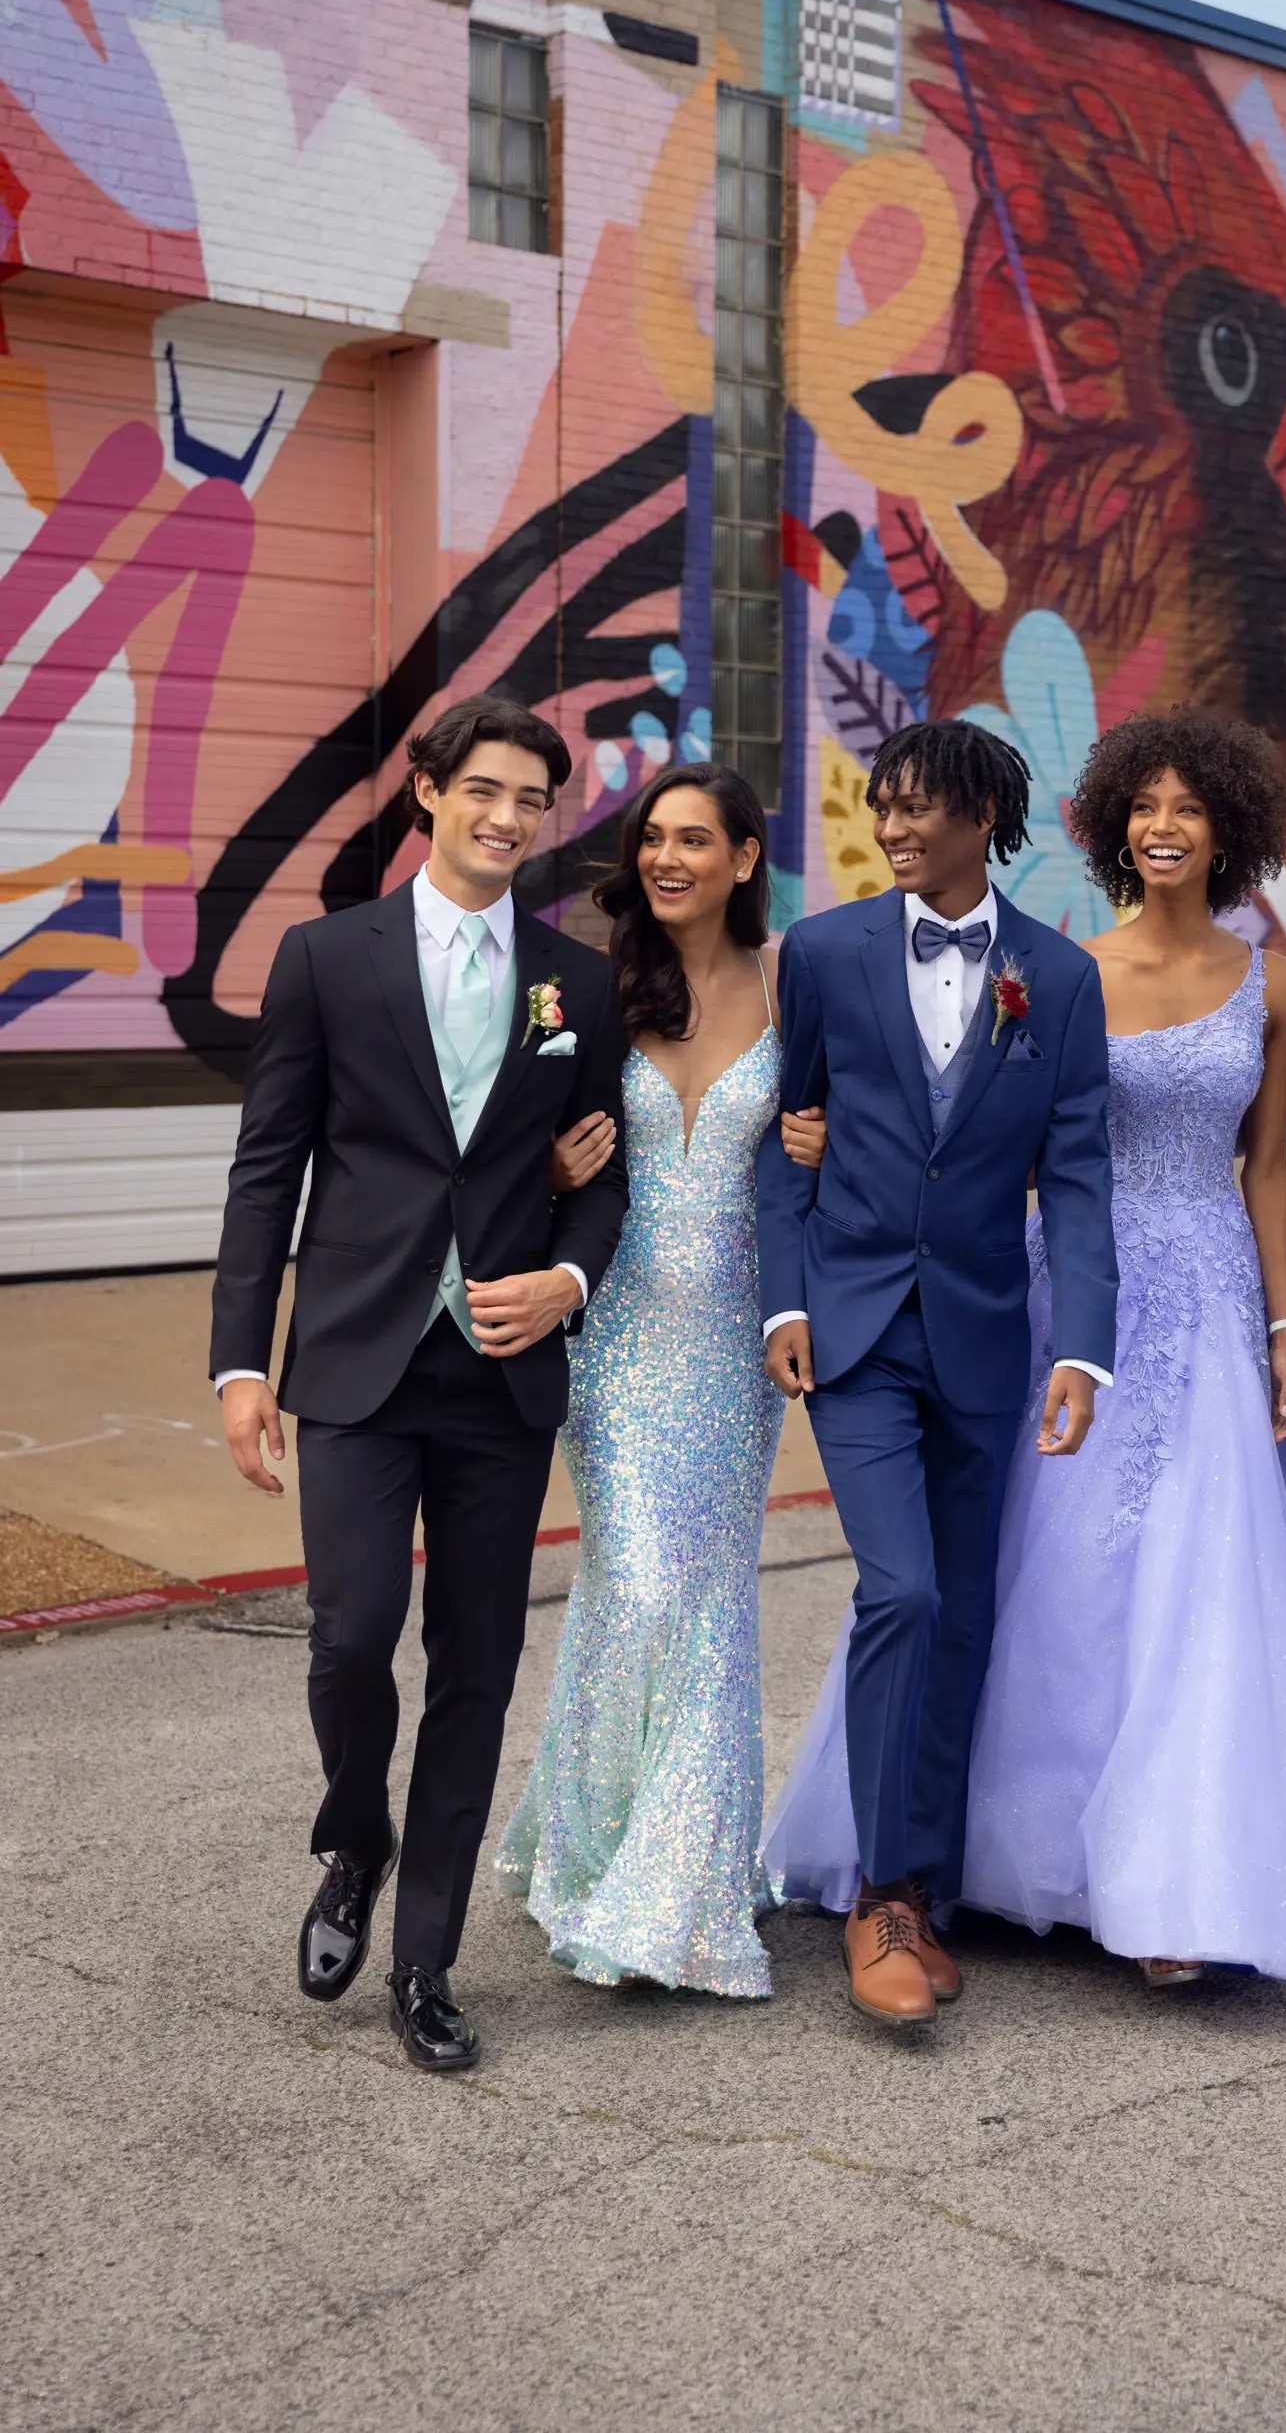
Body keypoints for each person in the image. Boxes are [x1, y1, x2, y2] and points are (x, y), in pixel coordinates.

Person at [210, 693, 629, 2072]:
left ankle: (426, 1964)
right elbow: (270, 1166)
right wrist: (238, 1363)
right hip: (352, 1356)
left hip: (502, 1375)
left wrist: (567, 1280)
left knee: (476, 1664)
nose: (509, 818)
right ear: (429, 793)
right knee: (351, 1631)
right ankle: (356, 1835)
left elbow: (600, 1167)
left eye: (533, 800)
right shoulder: (328, 959)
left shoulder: (582, 978)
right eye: (486, 792)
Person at [961, 712, 1286, 1987]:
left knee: (1203, 1577)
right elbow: (1005, 1148)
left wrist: (1285, 1327)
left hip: (1219, 1293)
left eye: (1188, 806)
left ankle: (1176, 1880)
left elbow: (1269, 1166)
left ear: (1228, 827)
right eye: (1144, 805)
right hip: (1080, 1285)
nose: (1163, 825)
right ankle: (1035, 1858)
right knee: (1062, 1562)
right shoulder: (1062, 972)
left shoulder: (1276, 980)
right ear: (1116, 824)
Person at [758, 719, 1119, 2032]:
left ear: (981, 817)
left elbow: (1076, 1175)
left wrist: (1081, 1343)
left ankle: (934, 1880)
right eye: (882, 808)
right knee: (901, 1592)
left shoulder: (1058, 981)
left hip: (984, 1337)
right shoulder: (825, 953)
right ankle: (881, 1892)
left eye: (916, 809)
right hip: (852, 1334)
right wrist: (781, 1299)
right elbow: (779, 1146)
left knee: (961, 1616)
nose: (892, 829)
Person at [497, 762, 825, 1999]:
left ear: (747, 856)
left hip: (741, 1335)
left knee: (705, 1592)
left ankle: (675, 1879)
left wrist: (824, 1141)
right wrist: (548, 1168)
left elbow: (849, 1131)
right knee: (635, 1573)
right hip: (616, 1325)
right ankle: (611, 1852)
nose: (667, 858)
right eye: (652, 839)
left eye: (696, 838)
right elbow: (504, 1132)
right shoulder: (588, 984)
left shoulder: (801, 982)